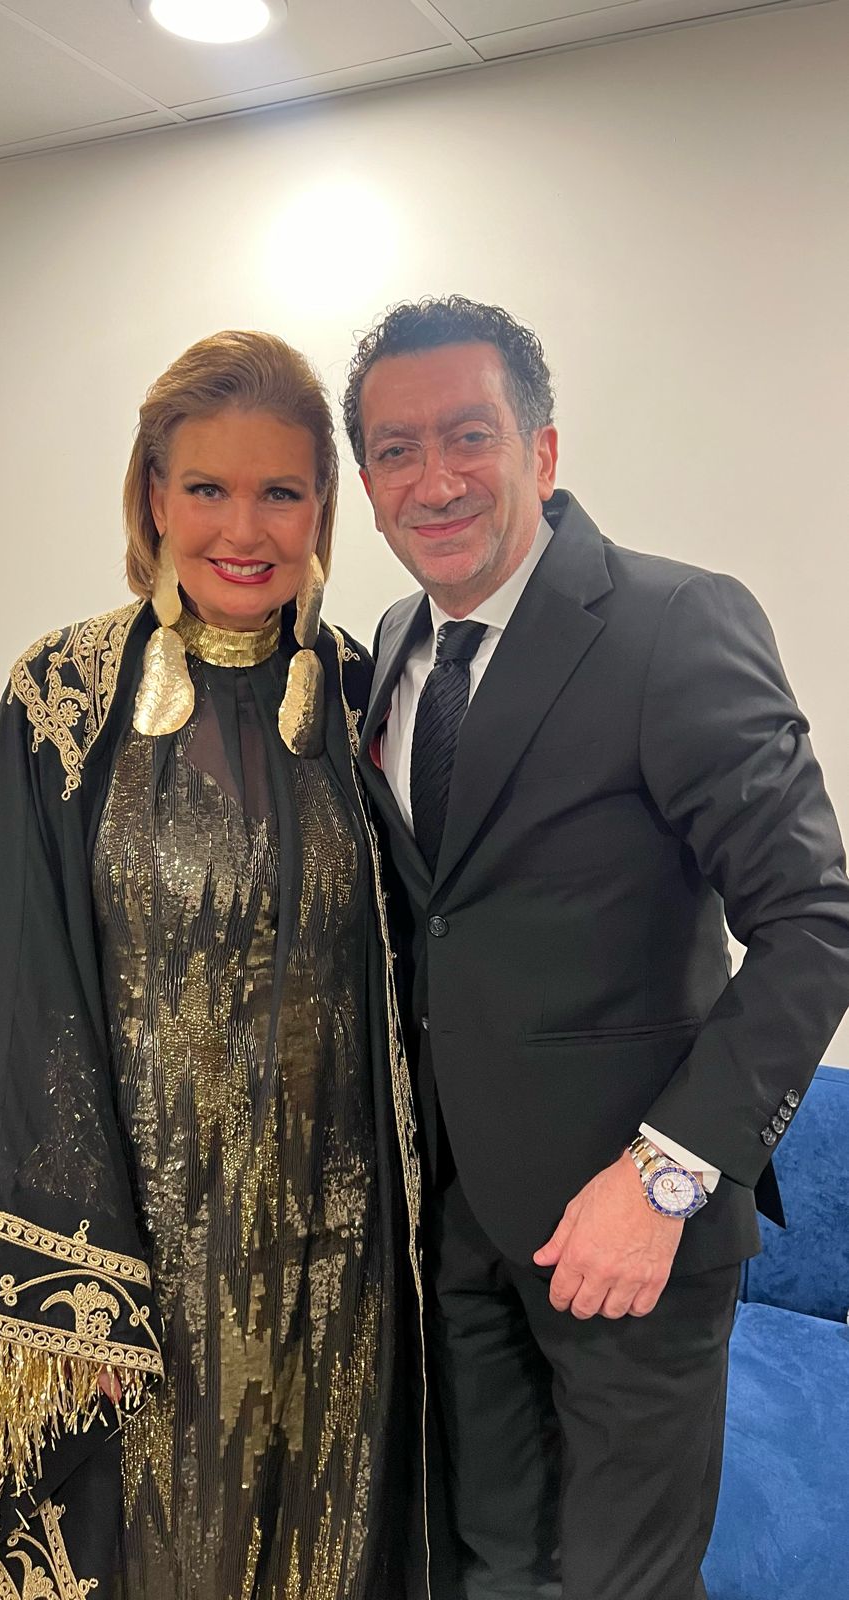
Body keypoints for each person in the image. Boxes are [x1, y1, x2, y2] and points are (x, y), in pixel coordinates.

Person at [0, 331, 425, 1600]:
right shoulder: (62, 700)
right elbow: (13, 983)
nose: (242, 528)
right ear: (152, 495)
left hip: (341, 1253)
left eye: (280, 491)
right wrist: (66, 1283)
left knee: (325, 1542)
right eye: (206, 487)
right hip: (139, 1256)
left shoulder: (368, 697)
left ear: (323, 505)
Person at [344, 295, 849, 1600]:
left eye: (468, 435)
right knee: (489, 1564)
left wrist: (665, 1179)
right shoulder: (392, 645)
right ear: (368, 483)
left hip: (632, 1235)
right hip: (452, 1220)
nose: (434, 479)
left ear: (543, 448)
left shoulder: (672, 624)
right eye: (395, 451)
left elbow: (813, 923)